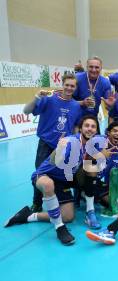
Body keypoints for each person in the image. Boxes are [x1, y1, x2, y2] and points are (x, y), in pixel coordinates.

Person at [4, 116, 106, 245]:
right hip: (45, 175)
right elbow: (55, 161)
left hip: (65, 179)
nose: (89, 129)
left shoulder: (93, 143)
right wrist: (60, 151)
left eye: (93, 126)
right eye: (87, 125)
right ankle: (58, 227)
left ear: (96, 130)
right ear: (80, 128)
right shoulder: (69, 142)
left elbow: (110, 138)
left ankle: (89, 212)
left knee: (69, 214)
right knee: (49, 187)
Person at [23, 73, 83, 213]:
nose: (69, 88)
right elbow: (26, 111)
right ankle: (37, 203)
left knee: (63, 173)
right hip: (46, 144)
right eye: (67, 85)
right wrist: (37, 96)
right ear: (62, 85)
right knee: (40, 173)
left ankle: (67, 199)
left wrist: (74, 141)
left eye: (72, 86)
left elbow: (74, 126)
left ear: (75, 88)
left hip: (63, 146)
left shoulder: (76, 106)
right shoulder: (49, 99)